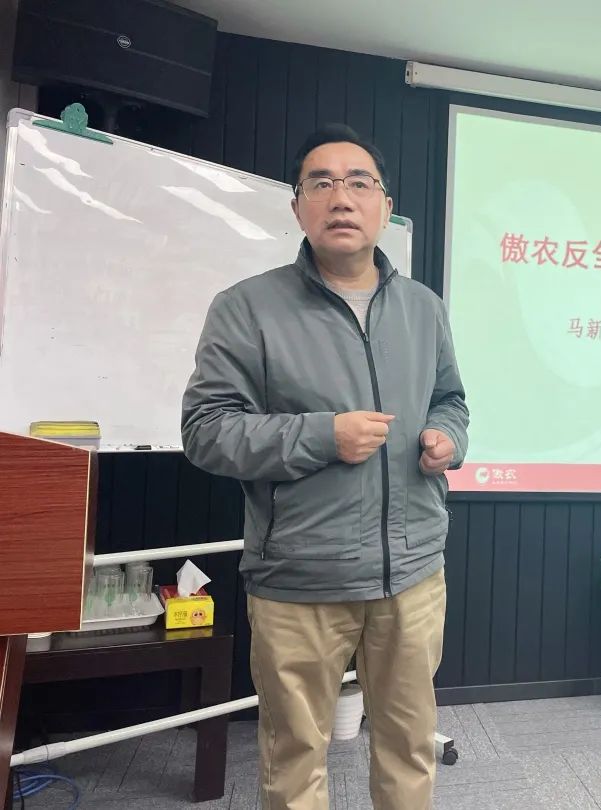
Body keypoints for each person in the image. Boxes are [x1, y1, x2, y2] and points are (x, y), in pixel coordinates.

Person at [181, 124, 468, 810]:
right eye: (322, 183)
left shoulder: (423, 308)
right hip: (298, 580)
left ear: (385, 205)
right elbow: (206, 431)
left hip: (412, 575)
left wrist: (448, 438)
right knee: (294, 761)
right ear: (297, 206)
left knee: (409, 748)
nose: (342, 197)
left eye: (359, 182)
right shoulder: (247, 308)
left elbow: (450, 399)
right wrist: (322, 436)